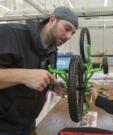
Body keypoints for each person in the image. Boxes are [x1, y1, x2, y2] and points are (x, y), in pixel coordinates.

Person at [0, 6, 78, 135]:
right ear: (52, 20)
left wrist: (52, 85)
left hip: (29, 124)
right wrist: (24, 75)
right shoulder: (11, 34)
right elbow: (28, 77)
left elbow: (37, 79)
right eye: (67, 28)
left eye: (73, 33)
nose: (69, 36)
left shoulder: (53, 50)